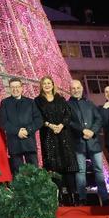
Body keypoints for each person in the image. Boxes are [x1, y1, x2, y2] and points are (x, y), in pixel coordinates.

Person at [36, 76, 79, 205]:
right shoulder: (38, 101)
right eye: (45, 83)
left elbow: (68, 114)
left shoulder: (60, 99)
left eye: (49, 83)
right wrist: (50, 125)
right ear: (41, 86)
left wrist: (61, 125)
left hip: (64, 135)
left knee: (69, 166)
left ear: (53, 85)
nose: (47, 85)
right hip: (49, 136)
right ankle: (58, 197)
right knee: (54, 168)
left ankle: (73, 197)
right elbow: (38, 117)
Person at [66, 79, 109, 205]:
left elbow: (98, 119)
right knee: (80, 171)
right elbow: (69, 122)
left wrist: (92, 131)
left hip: (93, 142)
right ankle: (82, 199)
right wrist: (82, 130)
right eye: (73, 88)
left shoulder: (90, 103)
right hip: (78, 143)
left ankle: (105, 198)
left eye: (78, 87)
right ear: (70, 90)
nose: (76, 90)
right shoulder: (67, 105)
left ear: (82, 88)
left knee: (99, 170)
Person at [0, 77, 43, 176]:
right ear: (9, 88)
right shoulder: (5, 103)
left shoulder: (30, 102)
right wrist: (17, 131)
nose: (15, 89)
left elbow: (38, 120)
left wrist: (28, 130)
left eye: (17, 87)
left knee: (34, 173)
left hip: (29, 142)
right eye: (13, 87)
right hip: (14, 143)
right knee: (18, 175)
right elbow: (3, 122)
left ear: (22, 88)